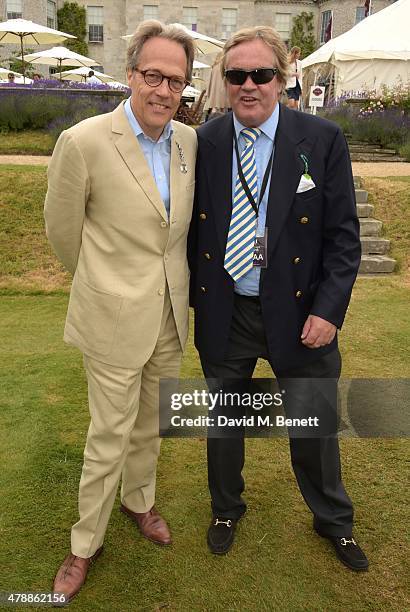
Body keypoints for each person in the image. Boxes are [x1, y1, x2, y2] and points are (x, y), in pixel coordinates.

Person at [188, 26, 368, 571]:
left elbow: (343, 239)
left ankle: (333, 521)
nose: (248, 85)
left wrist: (328, 311)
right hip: (228, 311)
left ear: (280, 77)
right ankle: (225, 509)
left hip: (299, 313)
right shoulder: (207, 141)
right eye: (236, 75)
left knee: (313, 426)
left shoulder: (322, 138)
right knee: (224, 424)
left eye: (260, 74)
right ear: (225, 81)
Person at [44, 20, 196, 603]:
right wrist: (105, 285)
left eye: (175, 80)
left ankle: (140, 502)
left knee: (151, 425)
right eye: (153, 75)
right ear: (130, 74)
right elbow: (63, 234)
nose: (163, 89)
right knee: (108, 433)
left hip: (170, 316)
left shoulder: (189, 143)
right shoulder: (83, 141)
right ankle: (84, 545)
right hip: (111, 316)